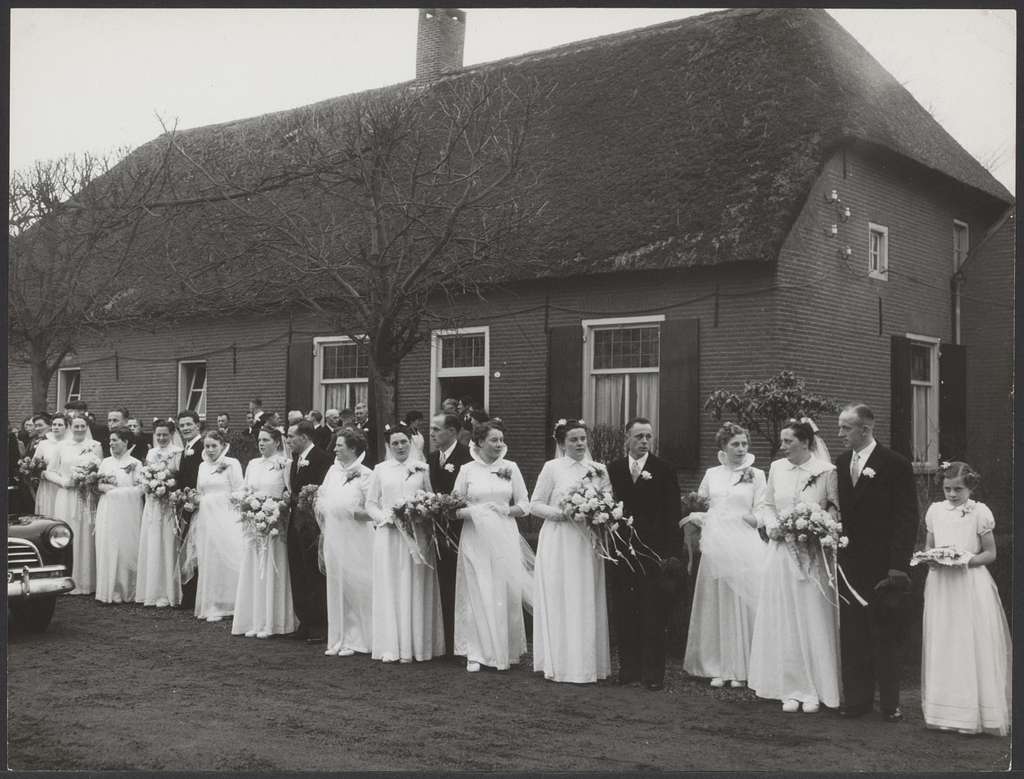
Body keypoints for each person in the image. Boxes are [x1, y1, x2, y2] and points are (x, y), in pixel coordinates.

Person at [748, 419, 840, 713]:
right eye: (782, 441)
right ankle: (789, 687)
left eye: (788, 441)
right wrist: (774, 526)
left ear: (806, 442)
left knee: (811, 616)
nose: (783, 446)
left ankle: (815, 687)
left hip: (812, 557)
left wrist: (819, 528)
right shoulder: (777, 468)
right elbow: (768, 504)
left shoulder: (826, 472)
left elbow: (834, 509)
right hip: (782, 554)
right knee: (785, 618)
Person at [835, 404, 918, 721]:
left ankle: (890, 704)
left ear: (865, 429)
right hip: (851, 563)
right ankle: (857, 700)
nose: (840, 434)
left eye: (845, 428)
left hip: (883, 565)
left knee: (884, 633)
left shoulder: (895, 464)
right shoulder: (842, 463)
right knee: (853, 634)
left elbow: (907, 517)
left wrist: (898, 566)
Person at [920, 462, 1010, 736]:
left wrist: (964, 560)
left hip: (969, 584)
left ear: (970, 486)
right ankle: (944, 712)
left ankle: (973, 714)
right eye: (947, 489)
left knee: (969, 642)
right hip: (941, 586)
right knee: (944, 642)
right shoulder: (935, 511)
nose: (952, 494)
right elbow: (928, 547)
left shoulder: (979, 512)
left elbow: (990, 554)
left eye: (958, 489)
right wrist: (933, 559)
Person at [682, 422, 768, 688]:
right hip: (716, 544)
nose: (741, 449)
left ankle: (744, 667)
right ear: (723, 447)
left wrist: (753, 520)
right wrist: (696, 513)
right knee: (717, 603)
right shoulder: (712, 474)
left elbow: (764, 509)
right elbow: (704, 504)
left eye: (744, 444)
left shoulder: (757, 475)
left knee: (743, 602)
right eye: (735, 444)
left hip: (744, 542)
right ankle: (718, 665)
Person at [530, 419, 612, 684]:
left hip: (587, 541)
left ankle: (587, 665)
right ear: (562, 443)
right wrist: (562, 514)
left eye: (582, 439)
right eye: (573, 440)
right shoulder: (552, 468)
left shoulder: (598, 469)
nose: (579, 444)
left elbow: (607, 502)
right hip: (559, 540)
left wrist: (598, 513)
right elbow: (535, 505)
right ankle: (560, 663)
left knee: (585, 595)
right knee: (560, 595)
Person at [607, 417, 684, 691]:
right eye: (638, 436)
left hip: (653, 552)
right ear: (626, 438)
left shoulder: (664, 469)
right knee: (625, 611)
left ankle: (653, 674)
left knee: (654, 613)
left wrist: (671, 553)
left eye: (648, 437)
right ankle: (628, 670)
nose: (644, 441)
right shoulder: (613, 469)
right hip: (622, 551)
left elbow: (673, 513)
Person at [451, 420, 532, 672]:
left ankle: (505, 651)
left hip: (504, 535)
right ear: (479, 442)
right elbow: (453, 509)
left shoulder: (511, 467)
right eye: (493, 440)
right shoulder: (467, 470)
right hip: (475, 537)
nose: (499, 444)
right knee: (477, 588)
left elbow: (525, 504)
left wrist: (506, 510)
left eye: (501, 440)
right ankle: (475, 652)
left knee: (503, 590)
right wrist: (476, 512)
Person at [366, 422, 444, 663]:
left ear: (411, 444)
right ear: (389, 446)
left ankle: (418, 646)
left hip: (417, 535)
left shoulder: (422, 468)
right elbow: (370, 503)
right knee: (392, 584)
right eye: (395, 443)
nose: (400, 446)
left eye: (404, 442)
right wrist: (385, 518)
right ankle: (391, 645)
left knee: (415, 583)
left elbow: (431, 499)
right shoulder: (380, 469)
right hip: (389, 535)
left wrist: (421, 512)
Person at [232, 426, 298, 639]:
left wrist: (275, 511)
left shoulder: (285, 464)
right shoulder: (252, 464)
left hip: (274, 526)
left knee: (273, 569)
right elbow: (245, 488)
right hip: (254, 525)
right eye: (259, 440)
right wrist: (244, 501)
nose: (261, 443)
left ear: (277, 442)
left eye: (266, 440)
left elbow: (289, 495)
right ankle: (254, 620)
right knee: (253, 569)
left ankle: (274, 621)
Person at [317, 427, 374, 657]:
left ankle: (360, 639)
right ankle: (339, 638)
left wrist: (350, 512)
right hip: (334, 534)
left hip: (357, 537)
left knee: (358, 586)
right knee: (337, 583)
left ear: (353, 448)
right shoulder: (332, 471)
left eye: (340, 445)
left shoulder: (367, 474)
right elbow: (323, 495)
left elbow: (372, 508)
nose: (335, 449)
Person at [426, 412, 474, 659]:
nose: (432, 433)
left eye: (436, 429)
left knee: (459, 584)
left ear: (452, 432)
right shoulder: (432, 458)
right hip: (436, 531)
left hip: (460, 531)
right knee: (442, 584)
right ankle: (445, 641)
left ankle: (461, 642)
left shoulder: (467, 458)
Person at [183, 430, 244, 622]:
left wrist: (211, 500)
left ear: (222, 445)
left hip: (226, 518)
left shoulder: (232, 464)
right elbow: (200, 491)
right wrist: (194, 500)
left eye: (213, 446)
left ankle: (232, 603)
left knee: (228, 558)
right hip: (206, 520)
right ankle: (213, 603)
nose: (209, 450)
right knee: (209, 559)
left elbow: (240, 492)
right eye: (207, 446)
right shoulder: (202, 466)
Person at [286, 420, 333, 642]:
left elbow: (323, 491)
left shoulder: (322, 458)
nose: (287, 440)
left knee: (314, 573)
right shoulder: (295, 459)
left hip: (312, 525)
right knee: (299, 572)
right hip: (296, 523)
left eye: (291, 436)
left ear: (304, 437)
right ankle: (304, 621)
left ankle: (319, 625)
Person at [94, 426, 145, 604]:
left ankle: (126, 589)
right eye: (110, 440)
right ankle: (108, 589)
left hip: (128, 510)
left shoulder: (136, 464)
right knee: (107, 544)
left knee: (125, 547)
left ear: (126, 442)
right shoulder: (105, 462)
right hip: (108, 509)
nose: (111, 443)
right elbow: (99, 484)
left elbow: (141, 488)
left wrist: (119, 492)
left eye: (115, 440)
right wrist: (104, 487)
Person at [135, 420, 184, 608]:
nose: (162, 438)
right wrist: (151, 485)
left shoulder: (178, 453)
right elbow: (145, 476)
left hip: (169, 502)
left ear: (172, 434)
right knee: (153, 542)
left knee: (168, 543)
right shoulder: (151, 453)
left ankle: (169, 591)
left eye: (165, 434)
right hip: (153, 503)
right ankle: (152, 590)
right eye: (158, 435)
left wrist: (167, 485)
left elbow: (179, 478)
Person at [176, 410, 205, 610]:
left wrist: (194, 499)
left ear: (197, 425)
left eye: (189, 424)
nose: (185, 428)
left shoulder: (202, 447)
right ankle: (189, 595)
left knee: (196, 549)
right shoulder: (186, 448)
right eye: (182, 425)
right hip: (186, 502)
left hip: (198, 504)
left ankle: (195, 596)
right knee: (186, 547)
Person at [33, 413, 65, 518]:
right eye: (54, 424)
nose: (56, 427)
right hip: (48, 486)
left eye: (60, 425)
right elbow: (34, 464)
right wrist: (40, 472)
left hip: (64, 485)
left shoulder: (70, 444)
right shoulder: (44, 444)